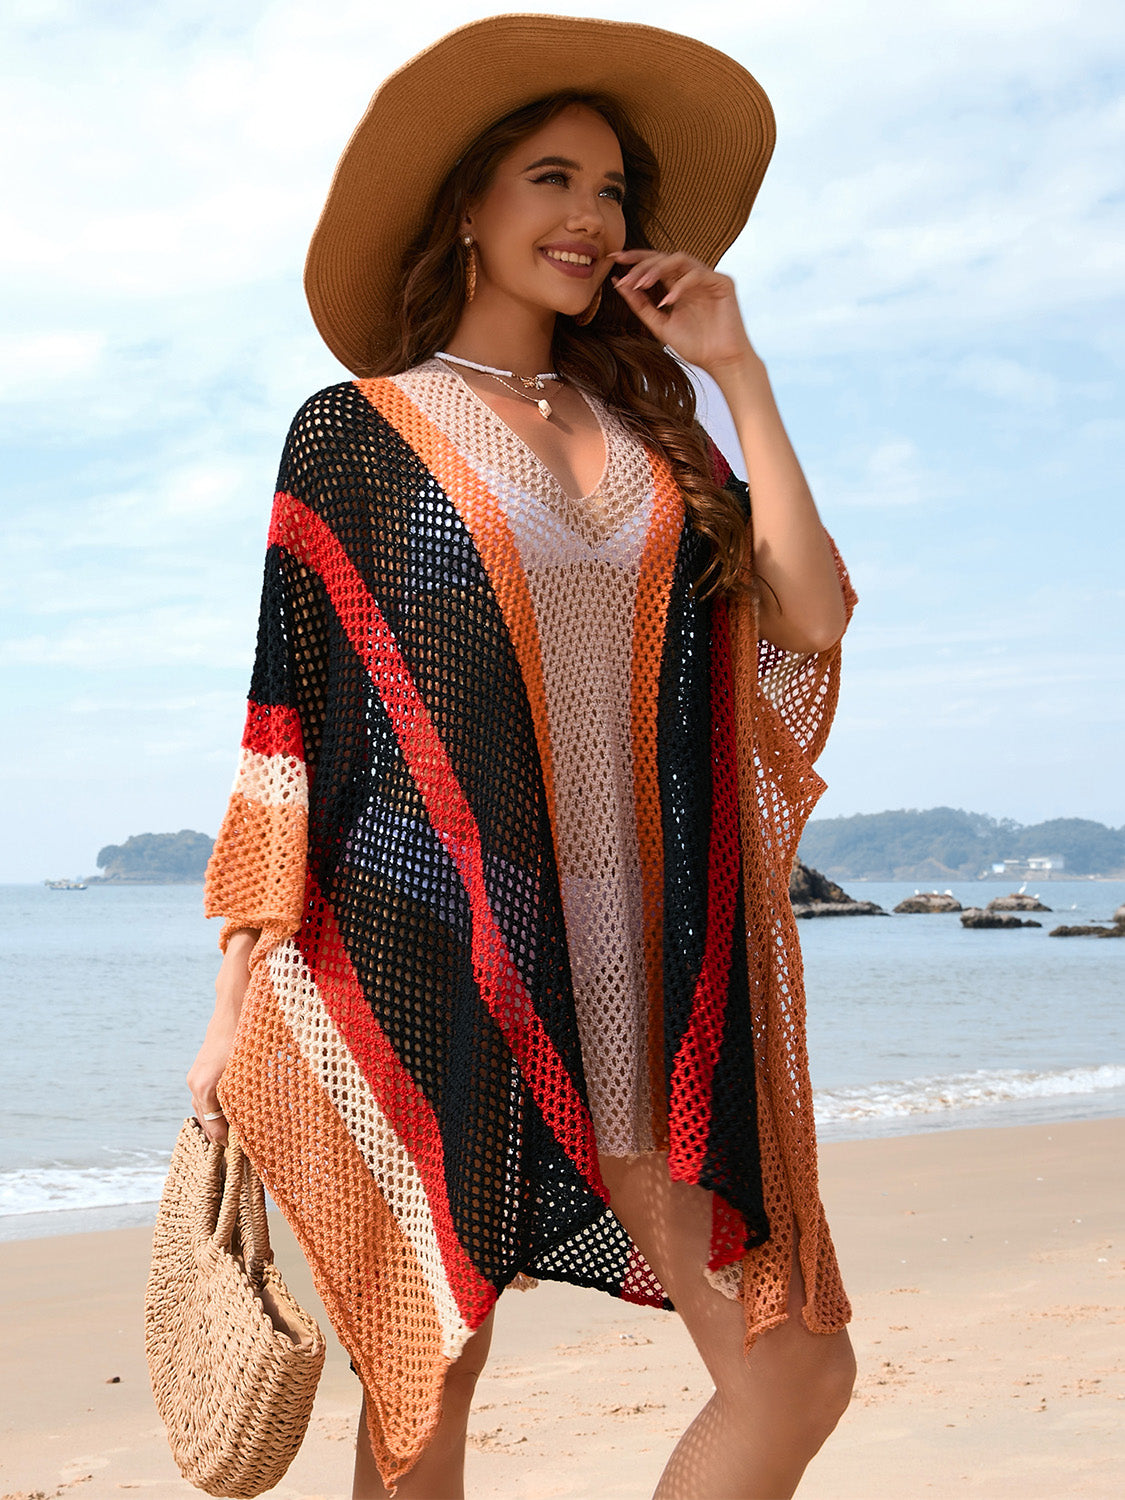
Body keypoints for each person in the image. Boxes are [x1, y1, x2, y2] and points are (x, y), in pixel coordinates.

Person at [187, 15, 856, 1499]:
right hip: (431, 951)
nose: (588, 217)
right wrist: (232, 1003)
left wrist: (737, 376)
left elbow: (805, 613)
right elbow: (289, 723)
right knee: (429, 1370)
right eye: (549, 178)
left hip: (662, 970)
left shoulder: (655, 432)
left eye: (613, 190)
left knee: (799, 1367)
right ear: (469, 209)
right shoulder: (358, 435)